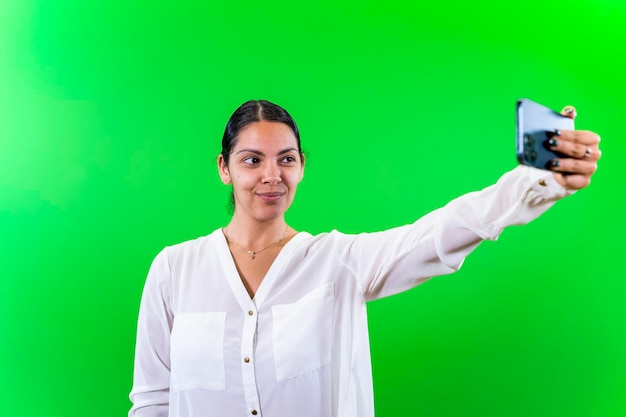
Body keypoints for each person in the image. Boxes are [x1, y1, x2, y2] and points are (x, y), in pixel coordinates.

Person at [129, 99, 600, 417]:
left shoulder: (339, 261)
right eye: (252, 160)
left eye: (286, 159)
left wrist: (538, 182)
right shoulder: (174, 269)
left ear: (302, 166)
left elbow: (439, 233)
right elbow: (152, 402)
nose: (271, 175)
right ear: (224, 169)